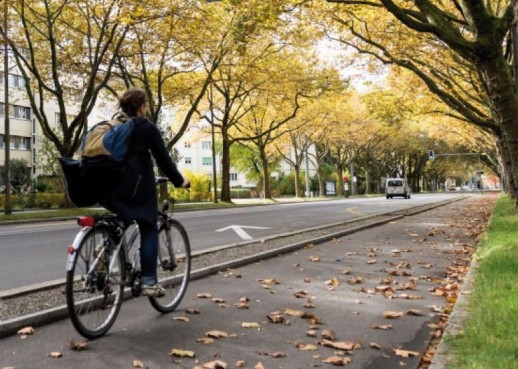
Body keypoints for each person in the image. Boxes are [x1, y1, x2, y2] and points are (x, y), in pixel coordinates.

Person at [101, 87, 190, 297]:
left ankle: (105, 250)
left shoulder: (114, 125)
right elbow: (163, 159)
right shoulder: (144, 127)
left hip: (108, 186)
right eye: (145, 106)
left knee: (121, 220)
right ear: (141, 107)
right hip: (136, 188)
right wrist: (180, 181)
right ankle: (150, 281)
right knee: (148, 225)